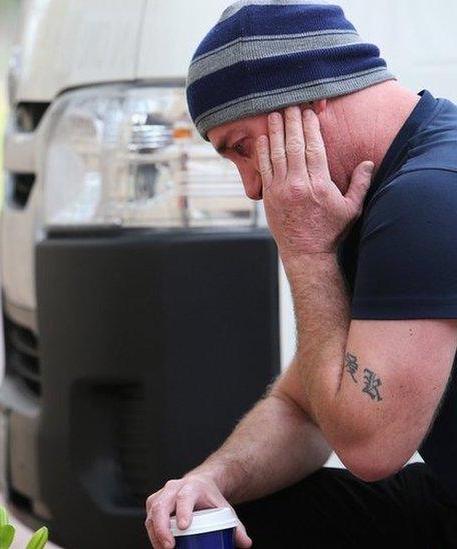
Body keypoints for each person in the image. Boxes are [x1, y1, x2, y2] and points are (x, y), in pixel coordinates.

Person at [145, 1, 457, 547]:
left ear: (307, 106)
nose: (251, 188)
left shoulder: (426, 197)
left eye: (241, 149)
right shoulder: (400, 176)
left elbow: (370, 449)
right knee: (241, 514)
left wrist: (307, 254)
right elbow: (305, 404)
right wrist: (208, 481)